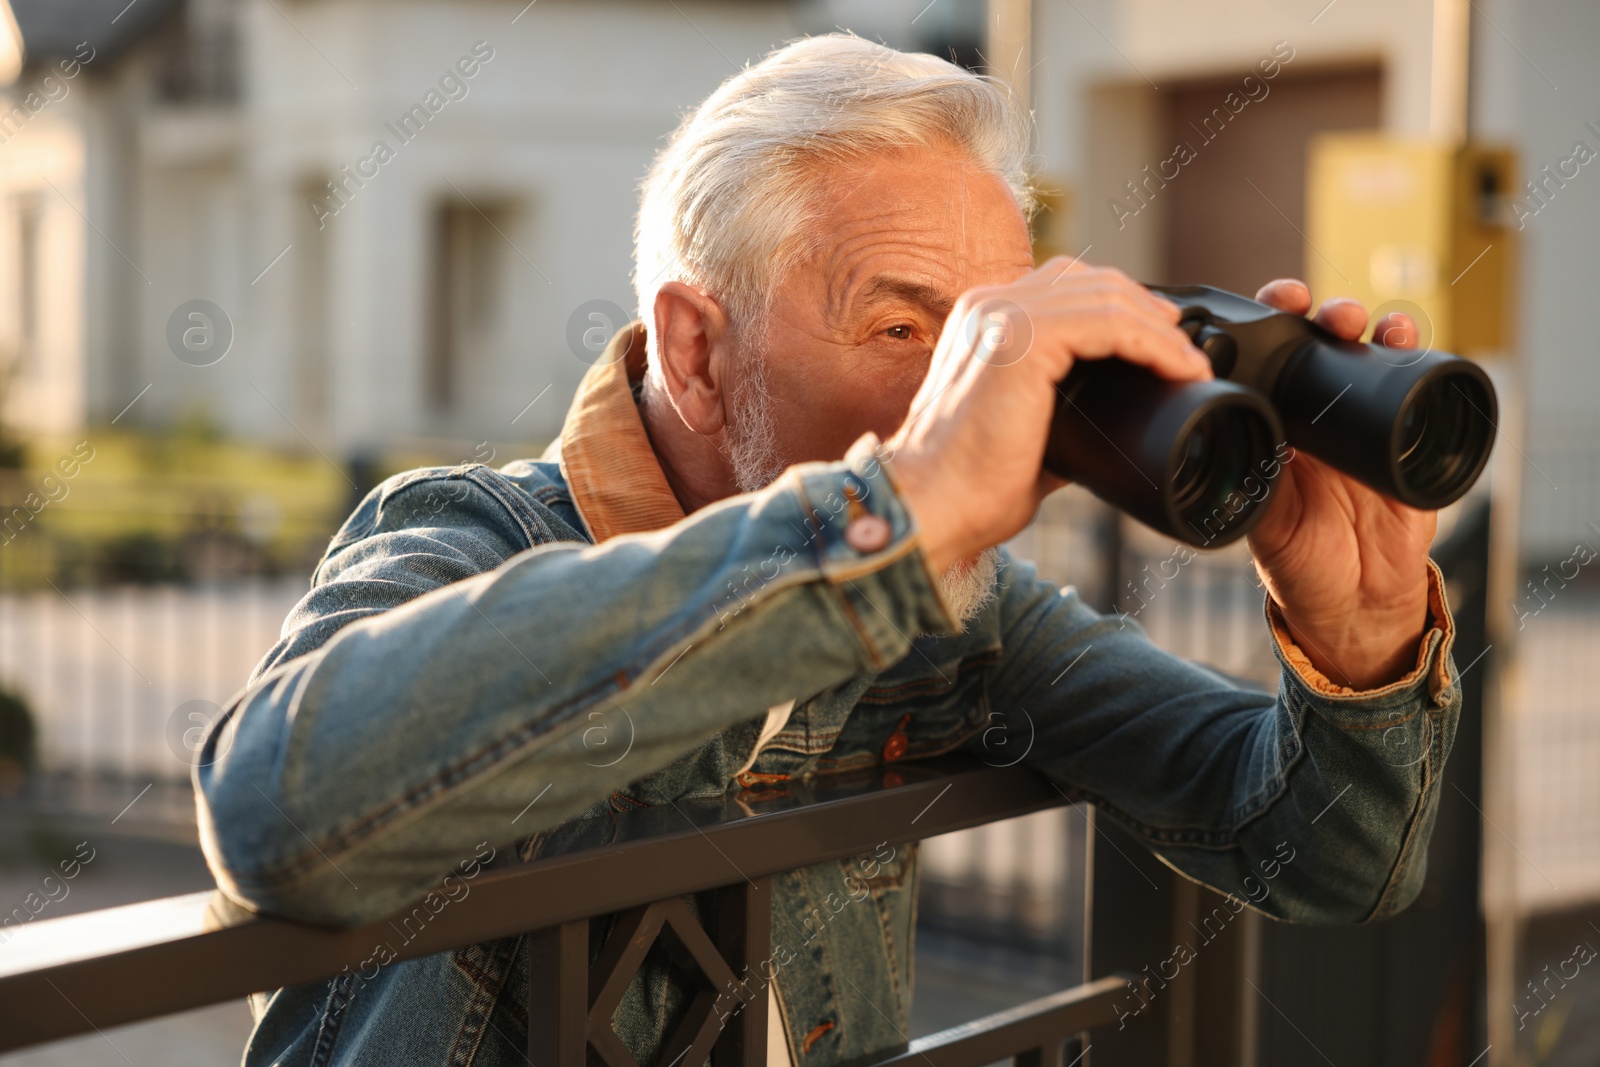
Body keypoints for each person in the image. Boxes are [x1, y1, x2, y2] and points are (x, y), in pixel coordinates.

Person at [196, 33, 1461, 1067]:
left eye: (989, 337)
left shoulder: (956, 613)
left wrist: (1358, 635)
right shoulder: (473, 539)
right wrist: (893, 513)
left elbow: (1327, 855)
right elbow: (272, 809)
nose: (972, 395)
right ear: (694, 348)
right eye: (908, 329)